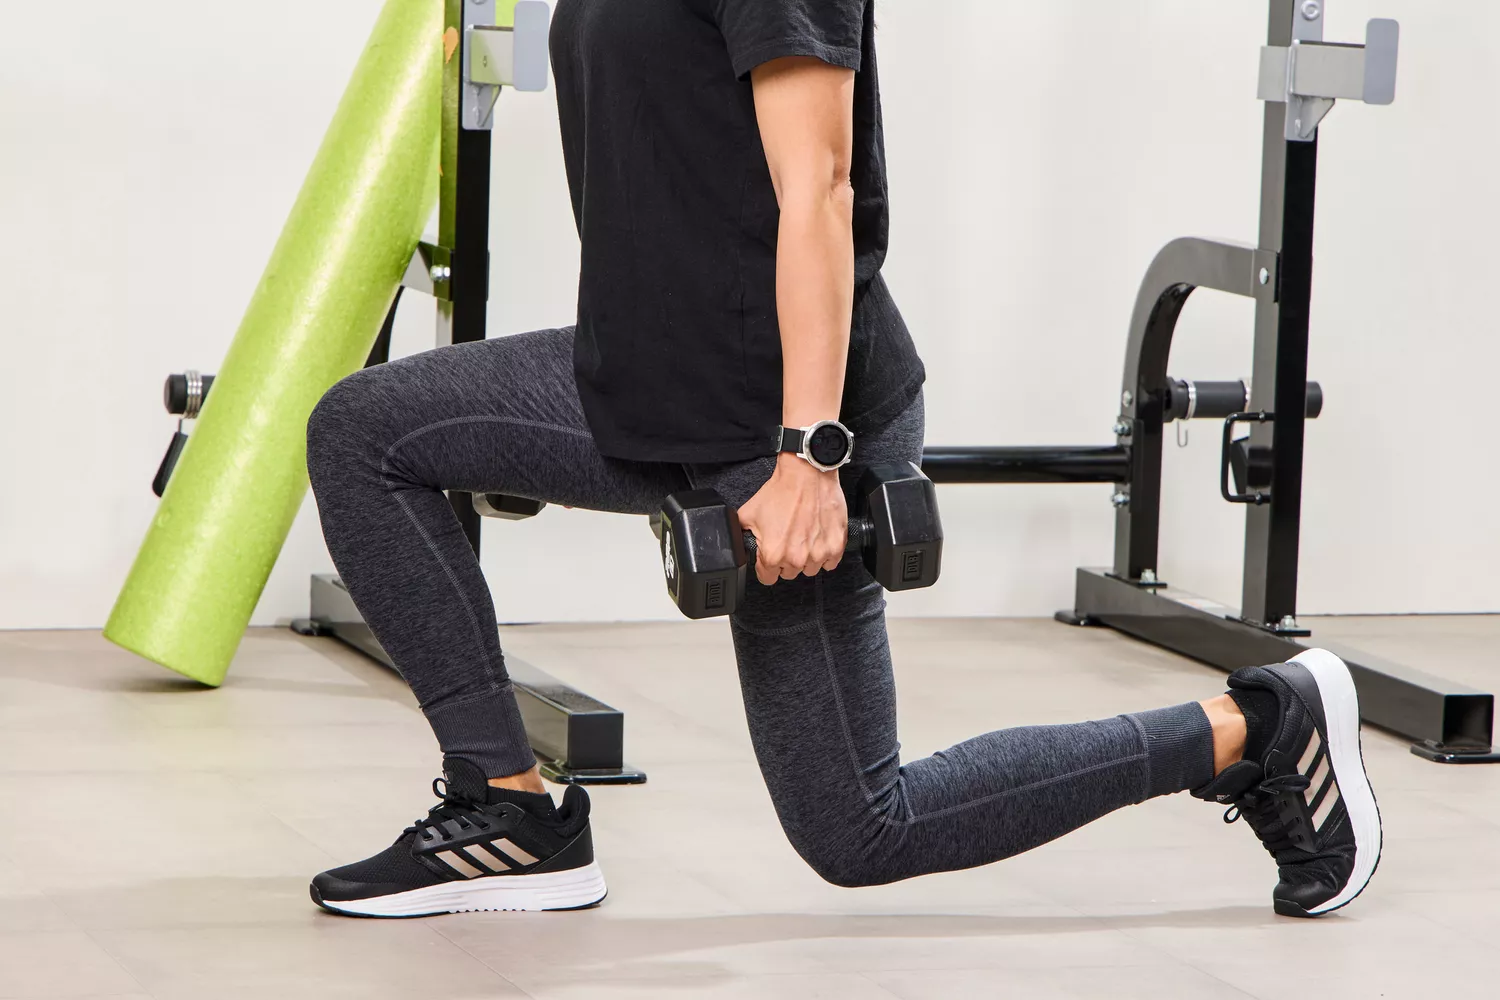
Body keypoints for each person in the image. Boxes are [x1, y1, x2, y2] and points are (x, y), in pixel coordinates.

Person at [303, 0, 1381, 920]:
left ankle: (1262, 726)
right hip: (644, 384)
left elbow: (818, 190)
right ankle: (511, 808)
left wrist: (810, 456)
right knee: (366, 431)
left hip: (784, 423)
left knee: (860, 826)